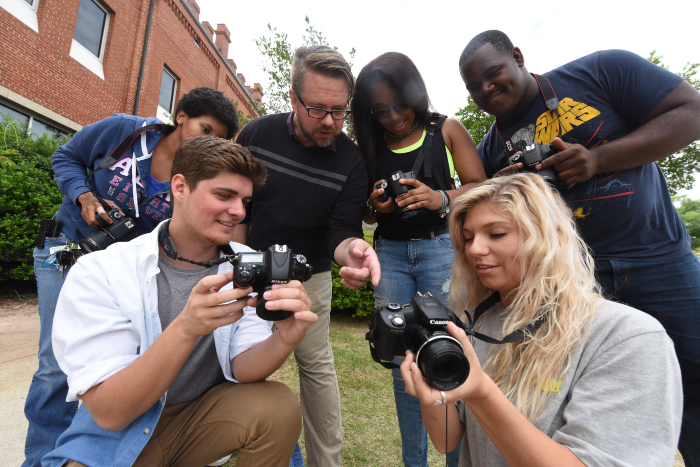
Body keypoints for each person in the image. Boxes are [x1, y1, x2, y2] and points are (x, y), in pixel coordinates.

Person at [458, 30, 700, 464]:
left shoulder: (604, 71)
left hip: (658, 259)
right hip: (573, 284)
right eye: (473, 87)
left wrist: (597, 159)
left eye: (492, 75)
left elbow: (693, 111)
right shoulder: (492, 149)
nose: (485, 90)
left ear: (517, 56)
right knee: (578, 394)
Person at [43, 136, 316, 467]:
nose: (238, 212)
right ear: (180, 187)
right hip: (116, 437)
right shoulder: (102, 271)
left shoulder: (248, 266)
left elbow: (244, 369)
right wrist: (186, 327)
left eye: (245, 200)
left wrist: (287, 337)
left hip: (198, 422)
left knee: (276, 405)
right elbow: (110, 413)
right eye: (224, 195)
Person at [401, 173, 683, 466]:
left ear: (548, 237)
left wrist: (481, 392)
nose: (474, 249)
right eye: (468, 238)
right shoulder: (478, 324)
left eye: (496, 233)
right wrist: (432, 385)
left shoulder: (627, 337)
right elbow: (447, 440)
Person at [23, 87, 240, 467]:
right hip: (68, 248)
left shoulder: (192, 181)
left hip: (117, 272)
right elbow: (66, 156)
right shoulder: (126, 132)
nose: (209, 141)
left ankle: (89, 452)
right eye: (205, 129)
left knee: (115, 366)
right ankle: (43, 460)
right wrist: (84, 197)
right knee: (55, 367)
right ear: (181, 115)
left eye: (219, 138)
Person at [233, 45, 380, 466]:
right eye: (317, 109)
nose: (331, 122)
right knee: (226, 355)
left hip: (309, 277)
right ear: (293, 98)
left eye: (340, 110)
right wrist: (235, 262)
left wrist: (352, 252)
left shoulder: (352, 162)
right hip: (248, 267)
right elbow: (239, 206)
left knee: (316, 369)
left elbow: (342, 230)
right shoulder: (257, 134)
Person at [351, 52, 486, 467]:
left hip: (439, 249)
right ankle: (415, 462)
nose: (392, 117)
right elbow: (369, 213)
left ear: (415, 92)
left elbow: (481, 185)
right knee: (401, 362)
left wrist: (440, 197)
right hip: (389, 253)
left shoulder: (445, 129)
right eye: (380, 110)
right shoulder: (369, 143)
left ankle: (456, 461)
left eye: (398, 105)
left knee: (449, 355)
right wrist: (380, 209)